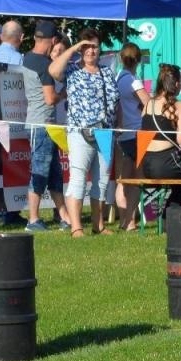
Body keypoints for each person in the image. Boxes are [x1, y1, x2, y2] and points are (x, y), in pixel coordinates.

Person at [50, 28, 119, 236]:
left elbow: (116, 102)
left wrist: (118, 127)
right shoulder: (72, 69)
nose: (91, 51)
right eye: (86, 46)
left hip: (105, 132)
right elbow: (53, 70)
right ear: (80, 48)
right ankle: (76, 227)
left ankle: (99, 225)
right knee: (78, 179)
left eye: (94, 47)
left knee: (102, 181)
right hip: (79, 132)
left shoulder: (107, 71)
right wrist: (74, 48)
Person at [21, 19, 69, 232]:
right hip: (42, 124)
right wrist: (63, 94)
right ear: (52, 40)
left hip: (41, 123)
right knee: (40, 171)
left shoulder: (27, 57)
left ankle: (65, 217)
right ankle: (33, 219)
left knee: (54, 172)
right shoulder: (43, 65)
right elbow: (50, 99)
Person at [138, 64, 181, 213]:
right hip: (168, 163)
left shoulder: (148, 104)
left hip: (147, 165)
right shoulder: (180, 106)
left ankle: (168, 216)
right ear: (176, 84)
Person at [112, 42, 149, 231]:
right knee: (137, 179)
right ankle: (130, 220)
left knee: (123, 179)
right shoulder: (134, 81)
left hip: (122, 134)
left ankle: (123, 219)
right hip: (137, 132)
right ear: (138, 60)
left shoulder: (117, 78)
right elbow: (149, 103)